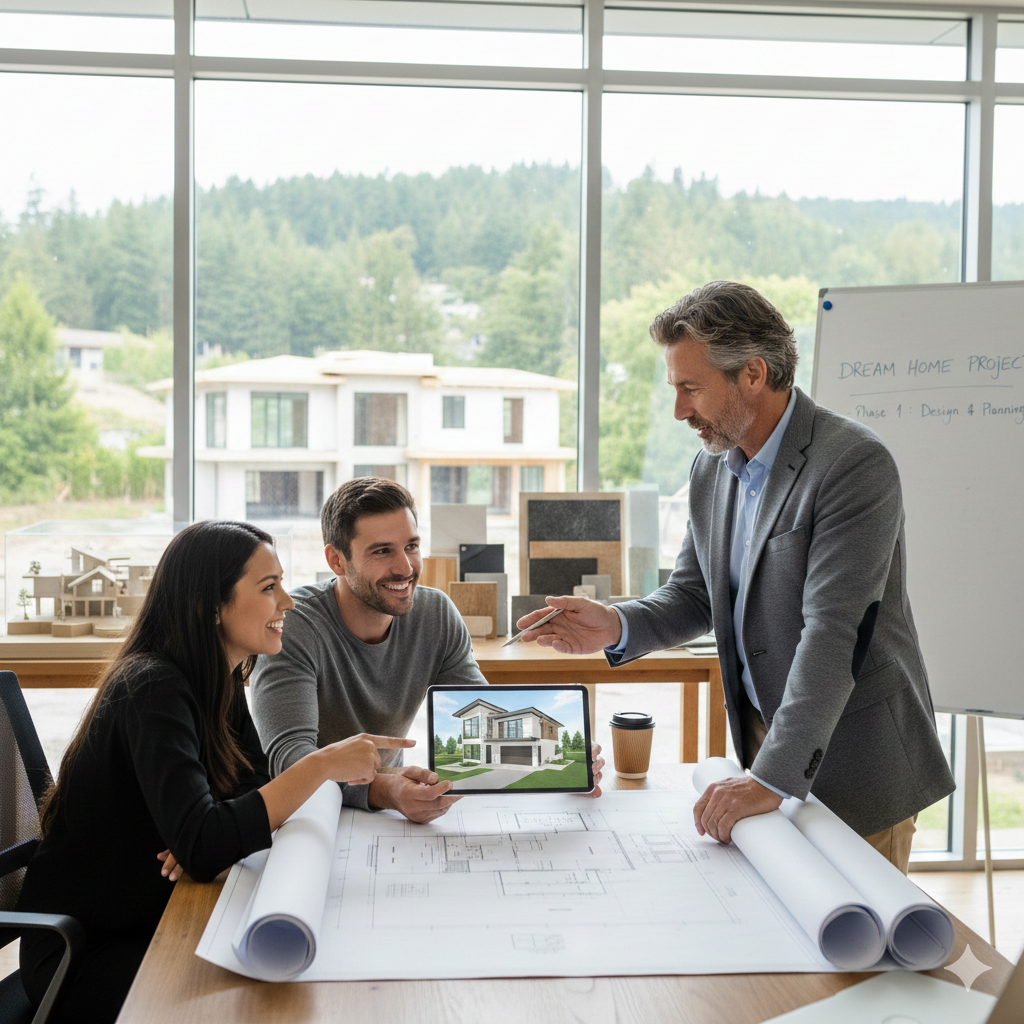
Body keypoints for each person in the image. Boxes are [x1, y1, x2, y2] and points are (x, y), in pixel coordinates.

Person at [516, 280, 954, 874]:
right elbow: (696, 595)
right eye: (675, 390)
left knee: (861, 953)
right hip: (767, 747)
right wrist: (615, 625)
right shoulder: (712, 468)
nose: (679, 411)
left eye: (691, 389)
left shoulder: (852, 464)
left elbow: (833, 632)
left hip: (857, 762)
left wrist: (769, 778)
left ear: (752, 373)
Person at [16, 521, 411, 1024]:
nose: (286, 603)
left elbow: (246, 792)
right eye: (269, 588)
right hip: (85, 951)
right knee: (266, 1004)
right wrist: (320, 765)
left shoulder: (218, 676)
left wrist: (211, 834)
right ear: (211, 606)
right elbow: (206, 844)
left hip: (154, 910)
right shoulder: (153, 687)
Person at [251, 477, 604, 823]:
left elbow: (483, 721)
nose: (406, 568)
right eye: (382, 551)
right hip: (299, 818)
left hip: (382, 815)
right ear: (337, 560)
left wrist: (560, 766)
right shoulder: (293, 625)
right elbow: (289, 761)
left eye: (411, 546)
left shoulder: (435, 614)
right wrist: (383, 790)